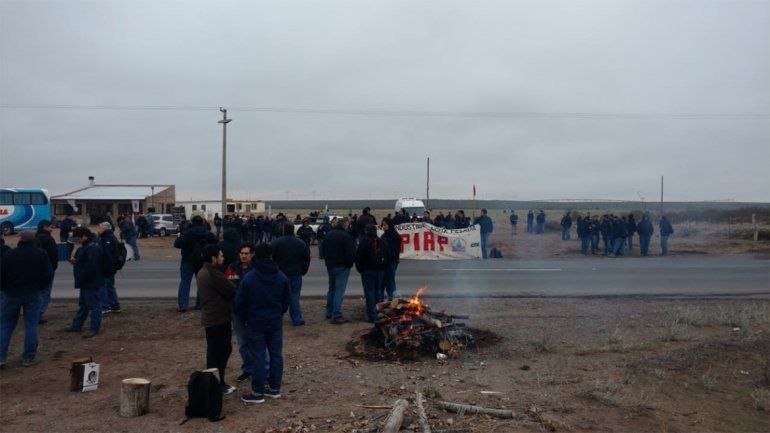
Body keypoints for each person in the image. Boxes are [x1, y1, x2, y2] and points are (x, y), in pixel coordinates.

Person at [236, 243, 290, 404]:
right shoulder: (281, 276)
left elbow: (240, 303)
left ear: (255, 256)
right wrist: (278, 313)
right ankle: (274, 388)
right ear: (271, 256)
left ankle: (258, 392)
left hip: (255, 322)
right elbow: (286, 301)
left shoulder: (250, 278)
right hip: (274, 321)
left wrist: (245, 319)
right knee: (275, 355)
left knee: (258, 356)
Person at [0, 231, 53, 368]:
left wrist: (6, 289)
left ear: (20, 240)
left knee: (5, 325)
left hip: (11, 294)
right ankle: (29, 357)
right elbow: (48, 274)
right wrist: (40, 287)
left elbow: (2, 274)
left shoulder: (10, 254)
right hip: (32, 293)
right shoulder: (40, 254)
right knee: (31, 325)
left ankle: (1, 357)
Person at [196, 245, 237, 395]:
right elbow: (231, 289)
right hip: (218, 319)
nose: (223, 258)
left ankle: (217, 382)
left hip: (211, 318)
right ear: (213, 258)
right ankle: (217, 384)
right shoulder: (213, 273)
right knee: (220, 352)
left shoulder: (203, 271)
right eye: (220, 256)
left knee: (215, 352)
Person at [225, 243, 256, 383]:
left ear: (252, 254)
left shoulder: (256, 269)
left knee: (255, 342)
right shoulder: (232, 267)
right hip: (237, 312)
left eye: (247, 253)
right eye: (242, 253)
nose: (244, 256)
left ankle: (258, 368)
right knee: (243, 343)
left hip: (253, 311)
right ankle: (248, 369)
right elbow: (227, 286)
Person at [174, 215, 218, 312]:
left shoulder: (187, 232)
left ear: (191, 222)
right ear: (202, 222)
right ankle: (200, 304)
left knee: (185, 282)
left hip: (187, 260)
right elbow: (216, 242)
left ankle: (183, 305)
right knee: (202, 283)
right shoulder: (207, 233)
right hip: (203, 261)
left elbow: (176, 244)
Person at [271, 222, 311, 327]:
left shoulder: (276, 243)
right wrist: (303, 270)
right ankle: (296, 319)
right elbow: (306, 258)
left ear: (284, 230)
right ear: (293, 230)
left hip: (280, 273)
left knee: (278, 297)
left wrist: (274, 270)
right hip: (295, 273)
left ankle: (276, 319)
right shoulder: (300, 243)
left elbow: (271, 258)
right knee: (294, 297)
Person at [69, 227, 105, 338]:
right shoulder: (86, 246)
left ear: (84, 236)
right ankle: (76, 326)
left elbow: (92, 266)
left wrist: (82, 273)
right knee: (84, 305)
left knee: (94, 305)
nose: (77, 241)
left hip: (91, 281)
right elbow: (85, 263)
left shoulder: (93, 247)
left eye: (77, 238)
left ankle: (94, 328)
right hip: (86, 281)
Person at [321, 217, 355, 324]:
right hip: (342, 266)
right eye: (348, 225)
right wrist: (349, 265)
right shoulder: (346, 237)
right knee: (339, 290)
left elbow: (323, 250)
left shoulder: (329, 234)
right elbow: (350, 253)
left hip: (330, 265)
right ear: (345, 225)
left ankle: (329, 311)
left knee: (332, 289)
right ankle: (336, 314)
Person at [35, 220, 58, 324]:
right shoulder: (46, 238)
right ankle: (38, 314)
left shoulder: (36, 238)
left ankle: (35, 312)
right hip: (47, 270)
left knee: (38, 292)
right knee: (45, 293)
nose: (52, 229)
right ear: (45, 227)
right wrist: (52, 267)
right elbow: (51, 255)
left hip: (38, 270)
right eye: (50, 227)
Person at [96, 222, 121, 314]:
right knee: (110, 286)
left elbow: (106, 254)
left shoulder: (107, 238)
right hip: (110, 267)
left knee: (104, 287)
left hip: (107, 267)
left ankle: (105, 306)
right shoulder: (108, 237)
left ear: (106, 228)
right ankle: (114, 305)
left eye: (100, 227)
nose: (98, 229)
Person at [380, 218, 401, 301]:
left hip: (391, 262)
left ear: (389, 225)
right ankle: (382, 299)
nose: (383, 226)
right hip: (384, 262)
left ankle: (392, 299)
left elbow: (395, 251)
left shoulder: (395, 236)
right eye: (382, 225)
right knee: (383, 281)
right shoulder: (383, 236)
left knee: (390, 281)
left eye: (385, 225)